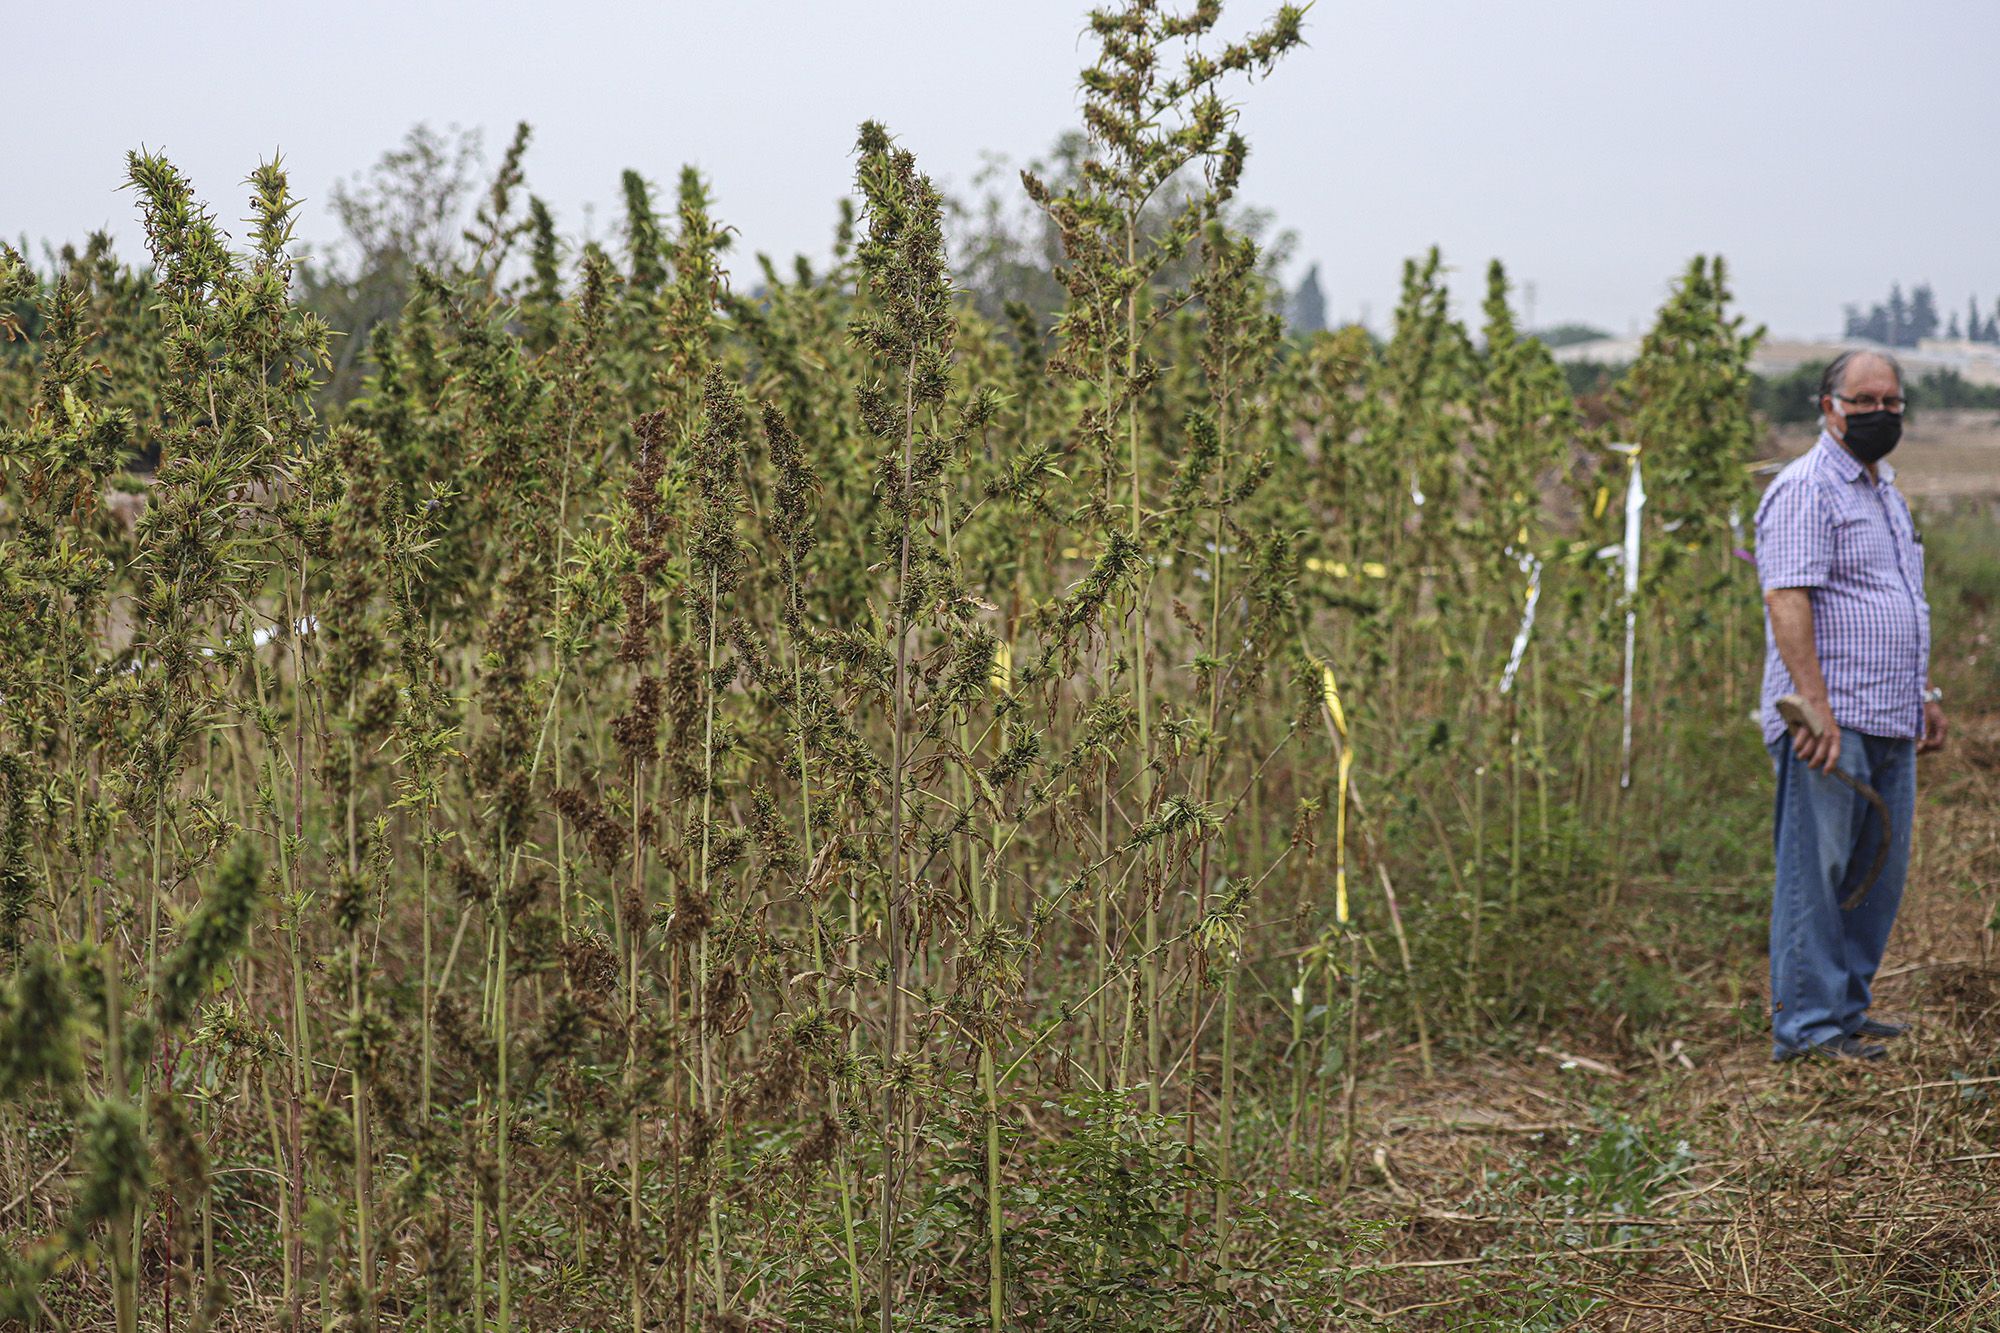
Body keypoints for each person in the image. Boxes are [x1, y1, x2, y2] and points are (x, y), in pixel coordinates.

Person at [1755, 349, 1946, 1062]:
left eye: (1891, 402)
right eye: (1864, 401)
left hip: (1891, 713)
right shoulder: (1808, 488)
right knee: (1818, 871)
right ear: (1828, 405)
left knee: (1875, 873)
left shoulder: (1883, 492)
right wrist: (1813, 704)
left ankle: (1845, 1011)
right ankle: (1806, 1030)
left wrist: (1923, 693)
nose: (1880, 414)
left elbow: (1898, 602)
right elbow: (1787, 595)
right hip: (1831, 722)